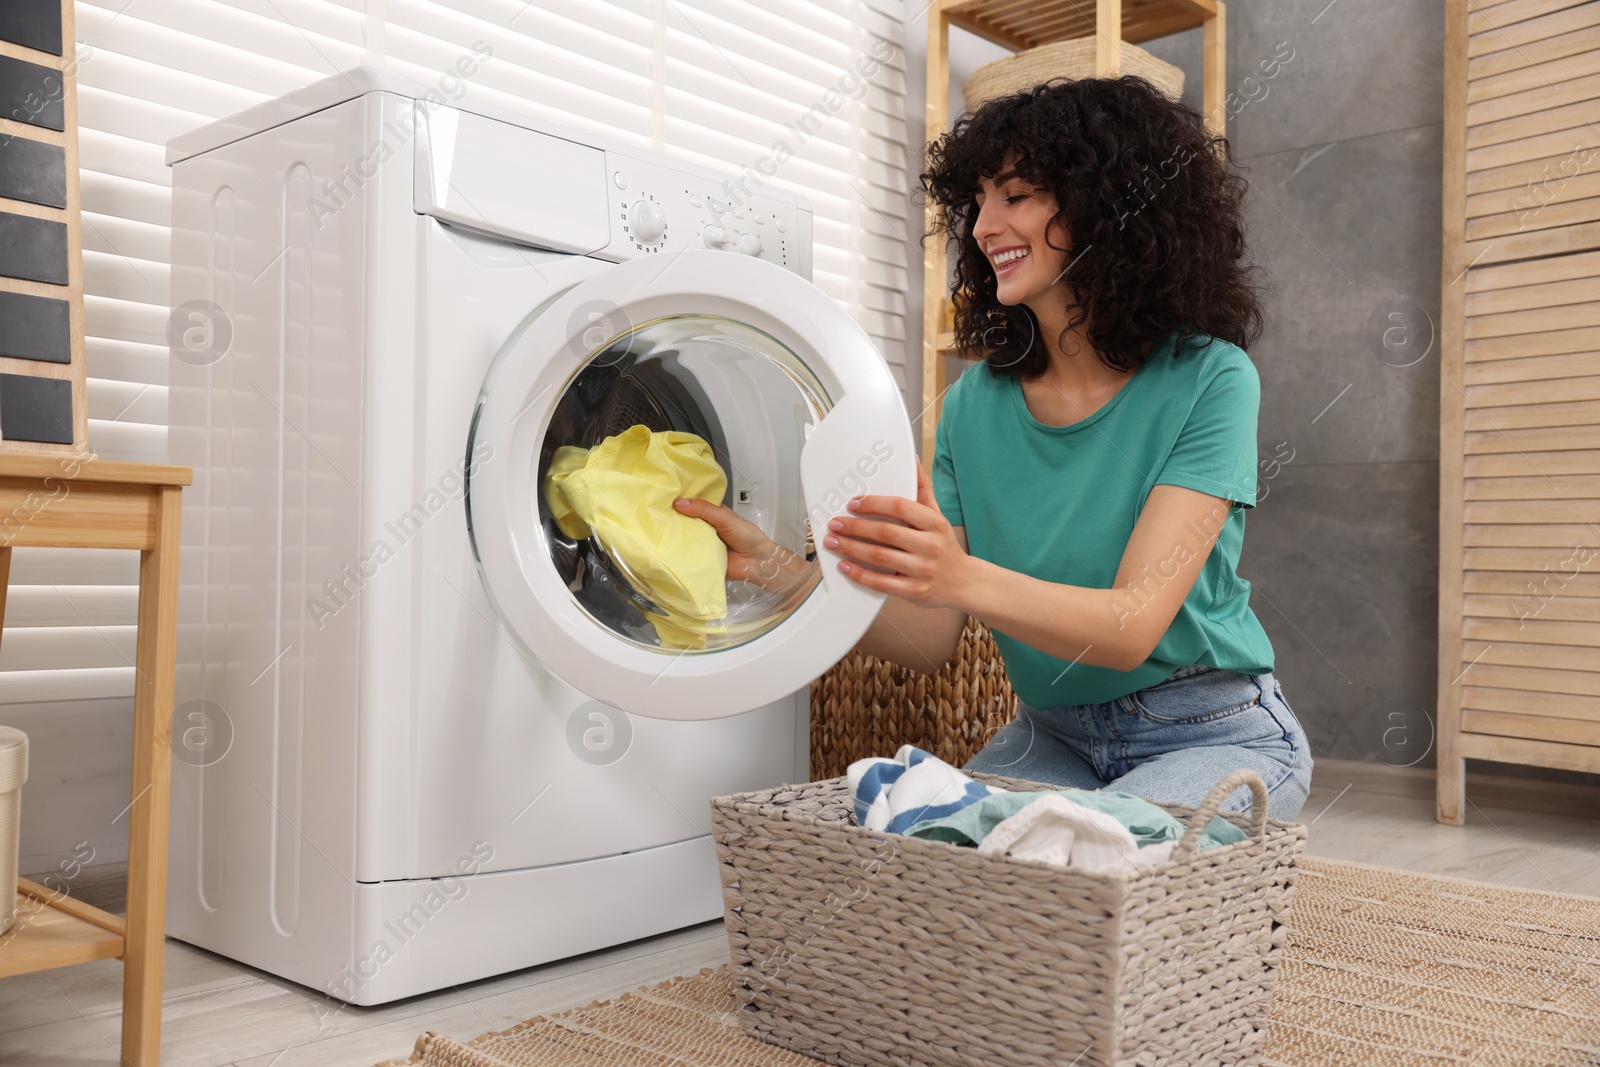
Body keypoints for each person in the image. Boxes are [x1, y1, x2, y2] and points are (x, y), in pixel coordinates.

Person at [676, 76, 1313, 821]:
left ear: (1107, 205)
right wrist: (787, 575)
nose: (981, 227)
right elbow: (927, 636)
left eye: (1016, 195)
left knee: (1094, 863)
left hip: (1209, 728)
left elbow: (1132, 625)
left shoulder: (1210, 378)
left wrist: (959, 574)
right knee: (932, 852)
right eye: (978, 200)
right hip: (1054, 738)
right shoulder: (973, 406)